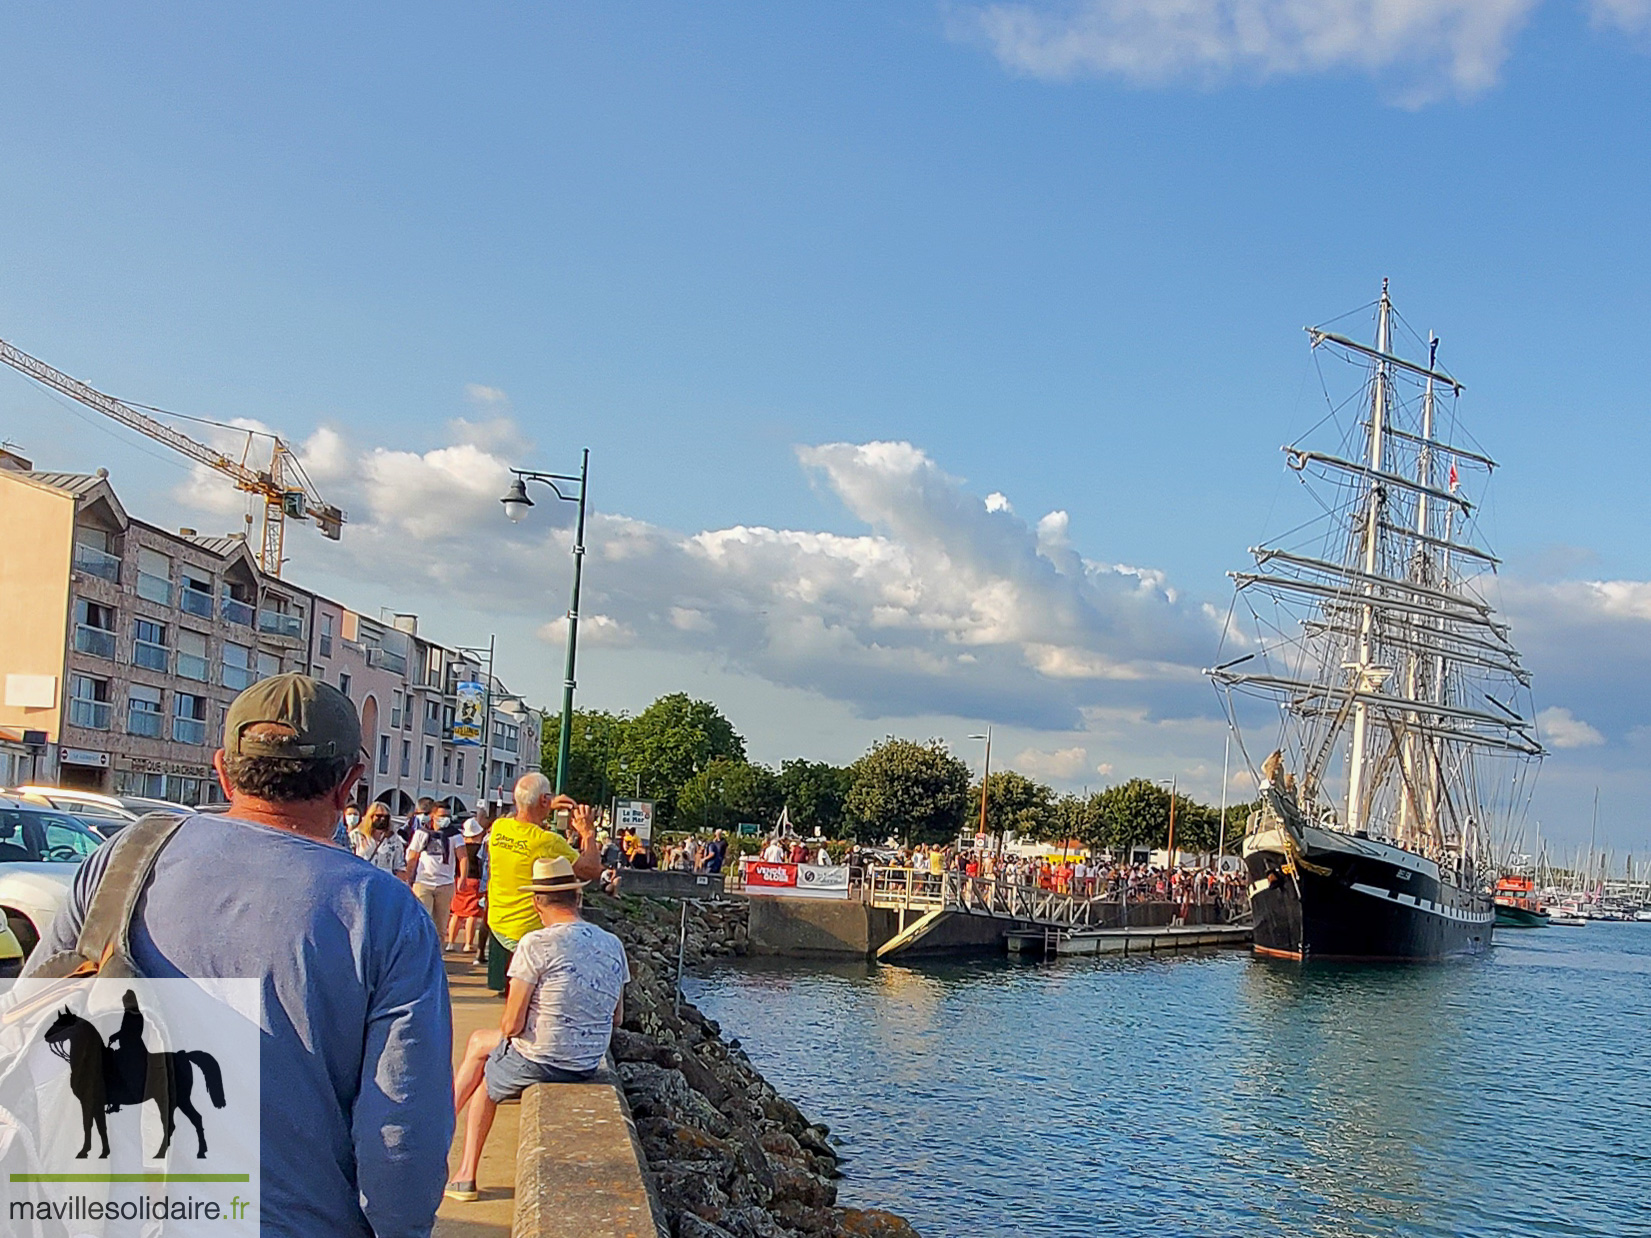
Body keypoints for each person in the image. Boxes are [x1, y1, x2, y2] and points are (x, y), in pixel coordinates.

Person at [23, 673, 451, 1236]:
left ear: (224, 770)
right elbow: (400, 1128)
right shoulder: (386, 915)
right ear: (349, 785)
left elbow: (37, 1021)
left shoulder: (123, 861)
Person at [444, 854, 629, 1202]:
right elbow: (617, 1016)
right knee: (482, 1044)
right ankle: (443, 1123)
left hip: (545, 1057)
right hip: (587, 1061)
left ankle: (464, 1173)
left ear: (536, 902)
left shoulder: (535, 944)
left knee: (485, 1080)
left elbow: (512, 1025)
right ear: (578, 897)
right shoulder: (612, 943)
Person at [485, 773, 601, 994]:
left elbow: (520, 819)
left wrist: (545, 804)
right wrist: (587, 832)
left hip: (499, 921)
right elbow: (591, 870)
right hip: (528, 928)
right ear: (543, 800)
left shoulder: (500, 828)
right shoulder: (547, 841)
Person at [404, 803, 461, 928]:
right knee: (422, 921)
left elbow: (463, 857)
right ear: (432, 816)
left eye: (447, 816)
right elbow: (413, 856)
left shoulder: (454, 834)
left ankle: (439, 947)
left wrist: (462, 878)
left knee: (440, 925)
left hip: (445, 883)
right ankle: (422, 947)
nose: (445, 819)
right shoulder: (422, 833)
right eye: (441, 816)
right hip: (423, 882)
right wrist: (408, 878)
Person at [447, 817, 486, 953]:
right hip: (475, 881)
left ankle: (451, 942)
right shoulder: (481, 848)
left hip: (459, 880)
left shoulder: (459, 846)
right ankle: (468, 944)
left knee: (457, 912)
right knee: (472, 914)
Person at [352, 802, 408, 875]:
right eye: (378, 816)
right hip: (362, 878)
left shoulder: (394, 839)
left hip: (385, 880)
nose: (382, 819)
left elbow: (399, 866)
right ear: (371, 817)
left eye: (386, 817)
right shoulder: (356, 836)